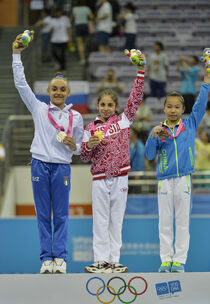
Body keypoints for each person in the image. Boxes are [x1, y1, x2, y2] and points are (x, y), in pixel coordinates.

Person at [12, 34, 84, 274]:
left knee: (61, 215)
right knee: (43, 215)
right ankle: (46, 259)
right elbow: (21, 84)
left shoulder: (76, 117)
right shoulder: (38, 108)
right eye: (54, 89)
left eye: (62, 89)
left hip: (62, 167)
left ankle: (60, 259)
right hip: (39, 165)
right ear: (48, 91)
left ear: (68, 92)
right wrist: (16, 54)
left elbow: (82, 148)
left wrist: (75, 145)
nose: (58, 92)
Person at [80, 52, 146, 273]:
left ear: (116, 107)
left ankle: (114, 261)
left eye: (110, 104)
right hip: (99, 178)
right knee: (99, 220)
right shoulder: (90, 129)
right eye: (103, 104)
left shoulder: (124, 121)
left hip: (120, 178)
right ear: (97, 106)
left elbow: (135, 99)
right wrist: (89, 144)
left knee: (116, 220)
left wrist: (141, 72)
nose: (106, 108)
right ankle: (100, 260)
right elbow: (83, 156)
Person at [145, 69, 210, 273]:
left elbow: (200, 104)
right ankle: (166, 259)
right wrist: (152, 137)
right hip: (164, 180)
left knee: (182, 222)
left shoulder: (190, 125)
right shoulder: (158, 130)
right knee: (165, 222)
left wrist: (206, 82)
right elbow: (148, 156)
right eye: (169, 106)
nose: (173, 110)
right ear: (164, 108)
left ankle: (179, 260)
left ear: (183, 109)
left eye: (177, 107)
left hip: (184, 180)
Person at [71, 0, 94, 65]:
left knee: (80, 43)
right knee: (86, 42)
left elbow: (71, 20)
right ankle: (87, 56)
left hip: (78, 26)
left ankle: (82, 59)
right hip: (85, 25)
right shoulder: (86, 8)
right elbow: (92, 17)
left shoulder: (74, 9)